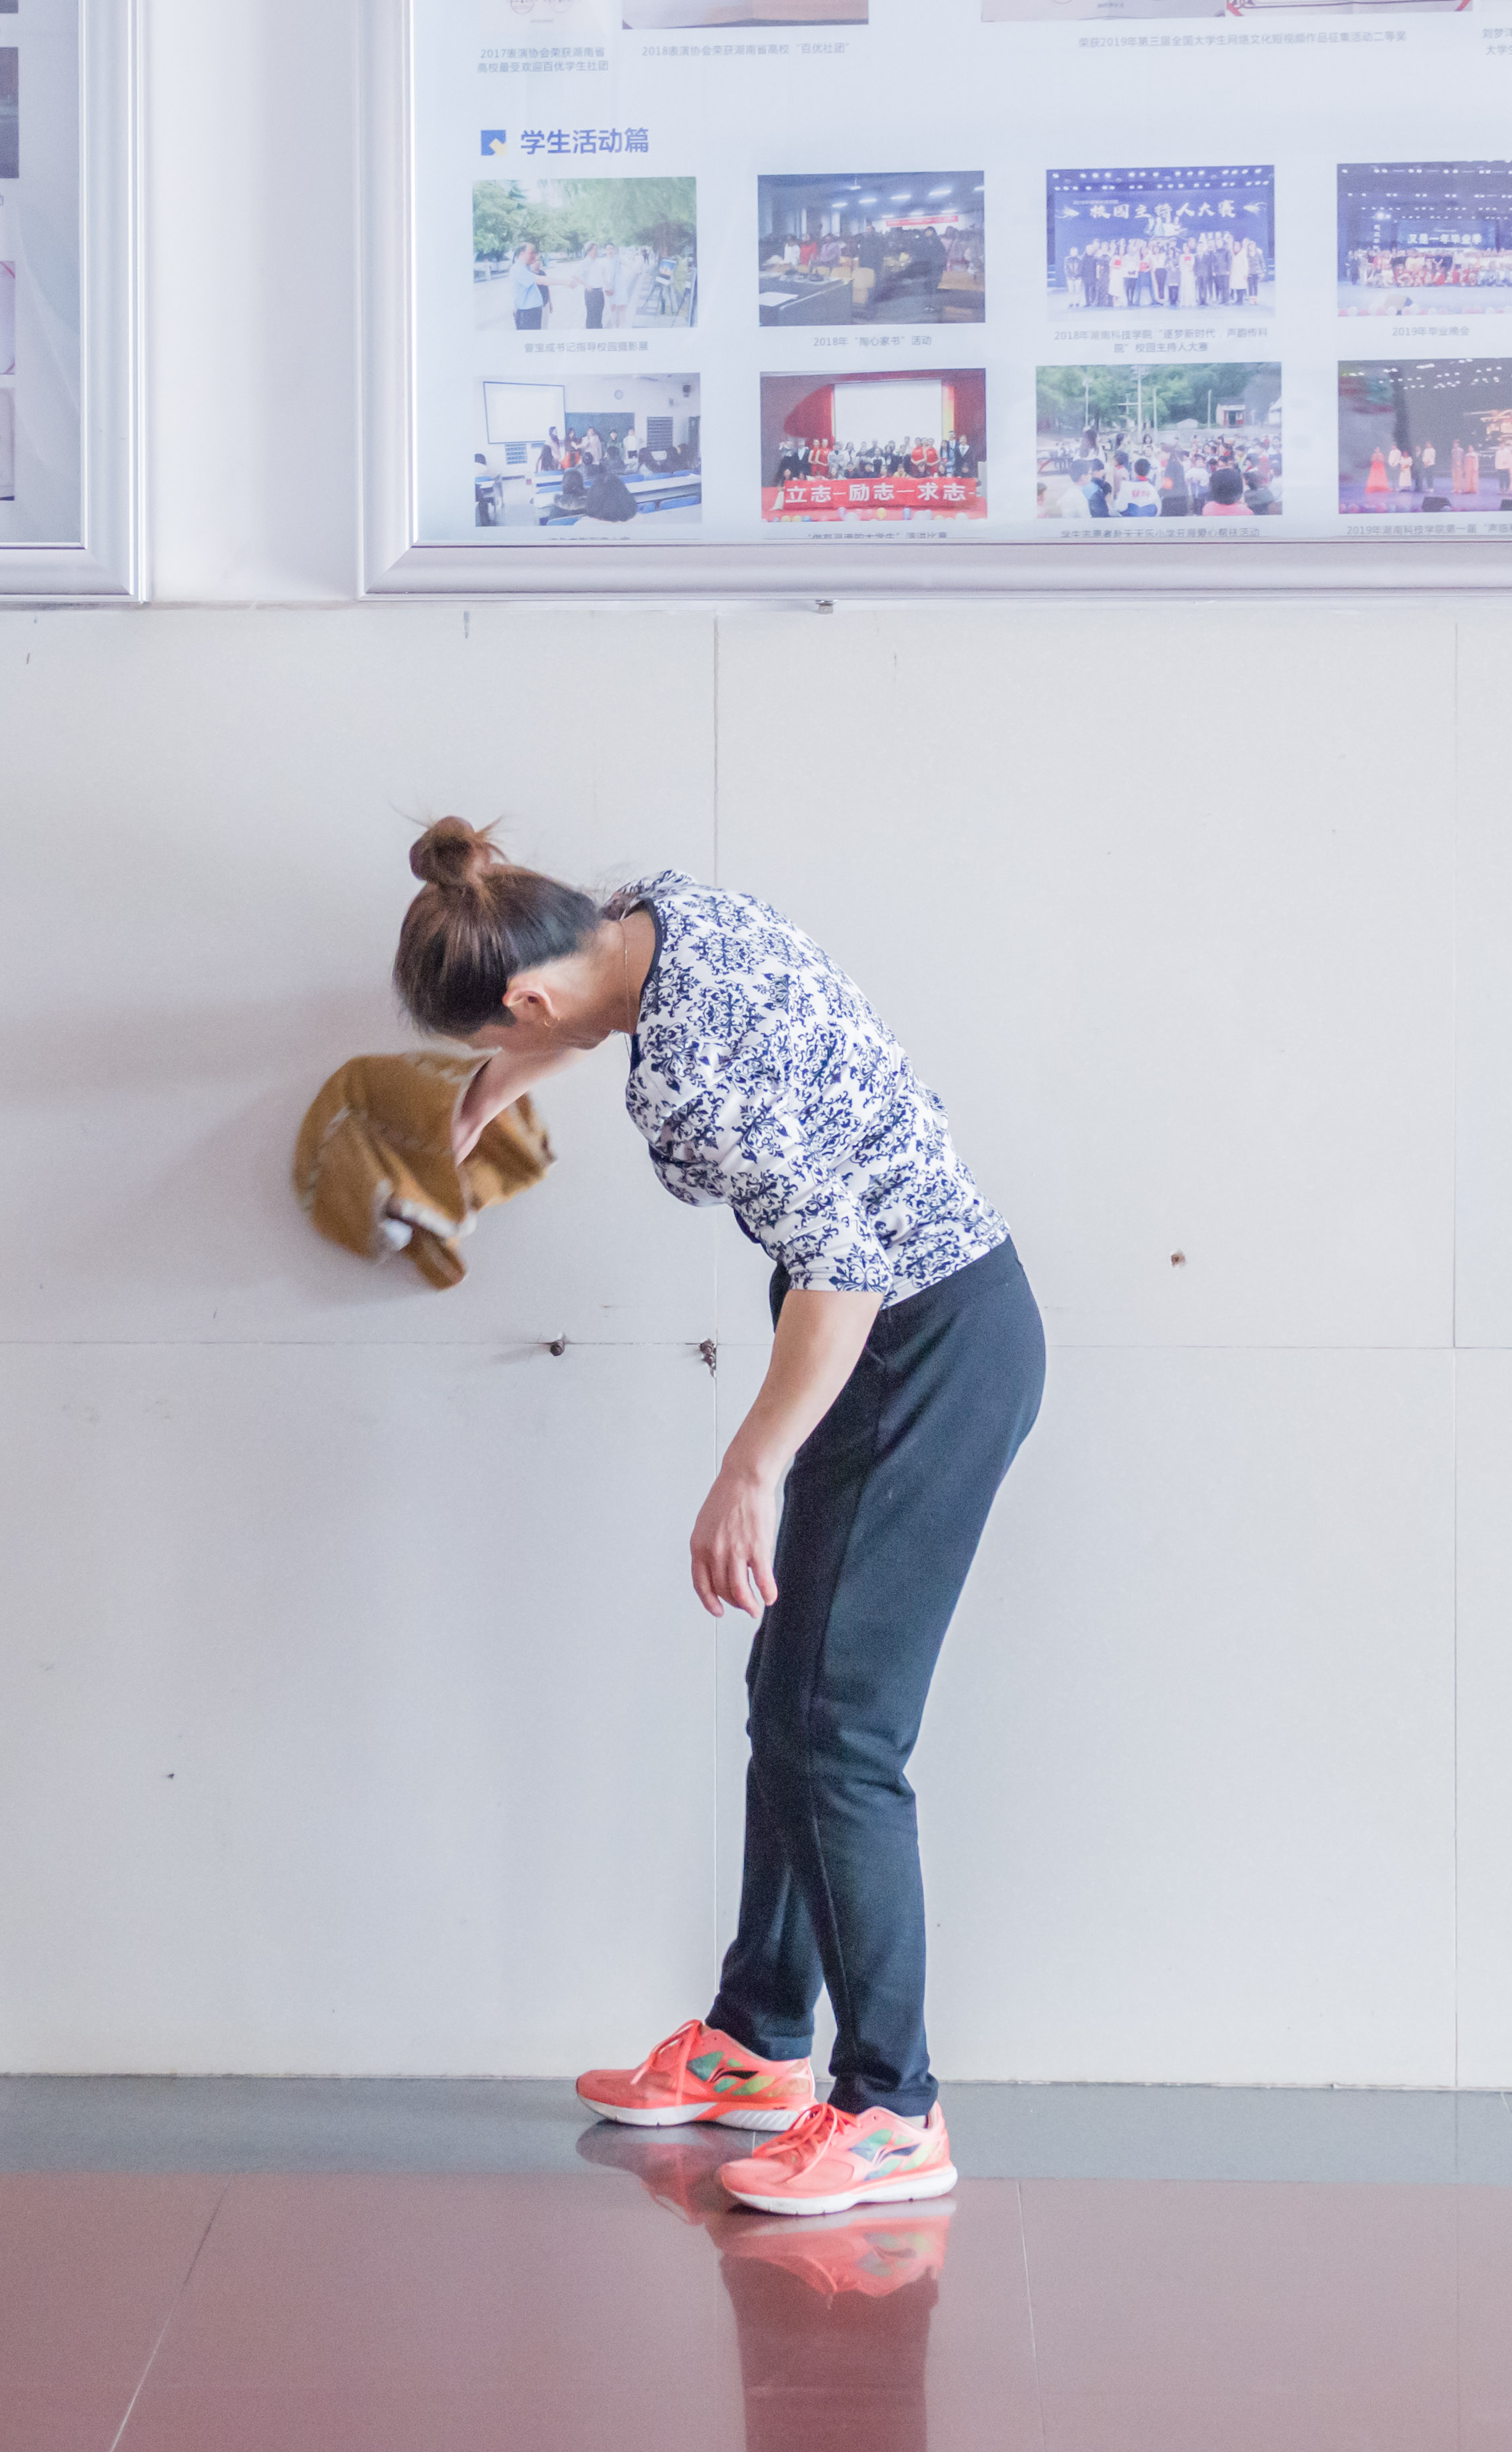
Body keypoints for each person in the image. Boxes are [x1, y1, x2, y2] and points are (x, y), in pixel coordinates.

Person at [397, 823, 1035, 2221]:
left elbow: (843, 1270)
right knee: (789, 1701)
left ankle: (892, 2107)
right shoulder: (663, 904)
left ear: (525, 993)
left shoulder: (685, 1081)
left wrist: (749, 1463)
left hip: (919, 1344)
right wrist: (492, 1082)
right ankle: (758, 2032)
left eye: (503, 1032)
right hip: (925, 1326)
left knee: (842, 1730)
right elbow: (584, 1001)